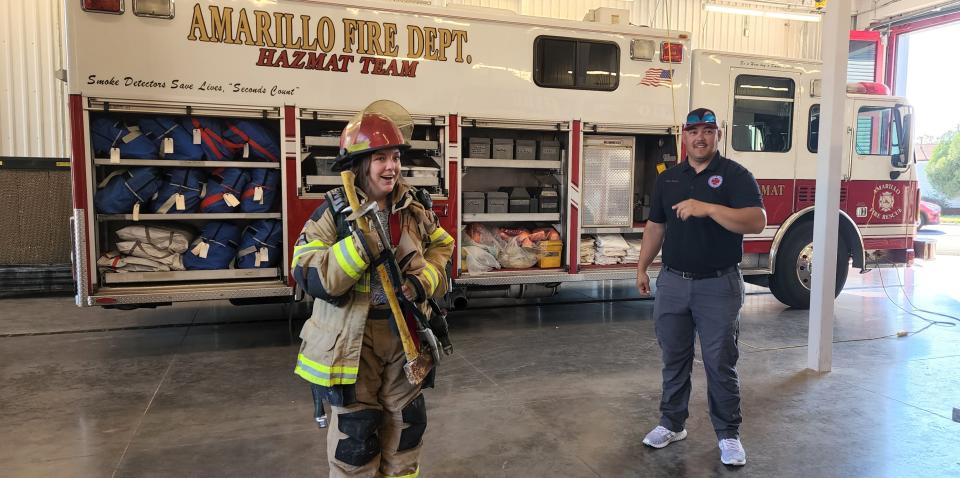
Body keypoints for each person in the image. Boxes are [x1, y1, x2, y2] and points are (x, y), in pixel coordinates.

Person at [291, 103, 455, 478]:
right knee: (357, 435)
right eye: (380, 158)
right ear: (360, 164)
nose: (391, 167)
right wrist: (358, 247)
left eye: (395, 157)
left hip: (404, 339)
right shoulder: (333, 213)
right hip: (354, 340)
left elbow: (443, 247)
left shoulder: (413, 208)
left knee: (407, 426)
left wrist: (420, 282)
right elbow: (307, 272)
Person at [635, 108, 766, 466]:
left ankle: (728, 436)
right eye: (693, 131)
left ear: (718, 135)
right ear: (684, 137)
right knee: (673, 358)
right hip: (673, 283)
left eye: (708, 131)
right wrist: (642, 266)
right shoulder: (669, 179)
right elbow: (655, 227)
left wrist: (708, 208)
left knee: (719, 362)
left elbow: (757, 221)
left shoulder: (736, 176)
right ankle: (671, 423)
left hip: (718, 285)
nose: (700, 138)